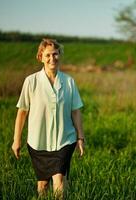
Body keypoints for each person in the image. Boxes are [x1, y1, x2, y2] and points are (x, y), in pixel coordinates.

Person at [12, 38, 85, 199]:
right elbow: (22, 112)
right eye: (48, 55)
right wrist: (16, 140)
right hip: (38, 142)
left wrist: (80, 137)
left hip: (64, 139)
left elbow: (76, 112)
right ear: (40, 57)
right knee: (42, 185)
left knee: (59, 177)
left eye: (56, 54)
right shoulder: (31, 82)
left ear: (60, 55)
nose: (52, 58)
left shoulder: (69, 82)